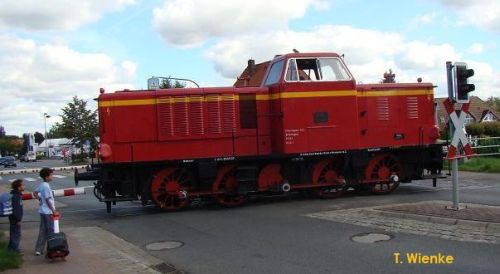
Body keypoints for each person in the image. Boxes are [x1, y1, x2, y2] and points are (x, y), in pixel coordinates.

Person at [34, 167, 59, 256]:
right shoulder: (46, 186)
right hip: (48, 212)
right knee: (50, 231)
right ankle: (52, 249)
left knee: (42, 230)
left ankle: (38, 250)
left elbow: (35, 193)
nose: (52, 176)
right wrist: (54, 210)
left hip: (42, 211)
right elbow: (48, 200)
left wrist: (40, 200)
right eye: (51, 175)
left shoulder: (42, 185)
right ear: (47, 176)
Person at [8, 179, 24, 254]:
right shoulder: (16, 196)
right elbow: (16, 209)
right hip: (15, 218)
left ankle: (11, 248)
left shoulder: (15, 194)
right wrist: (18, 220)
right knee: (16, 234)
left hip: (13, 217)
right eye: (22, 185)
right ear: (18, 187)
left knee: (14, 232)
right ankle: (14, 250)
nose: (24, 186)